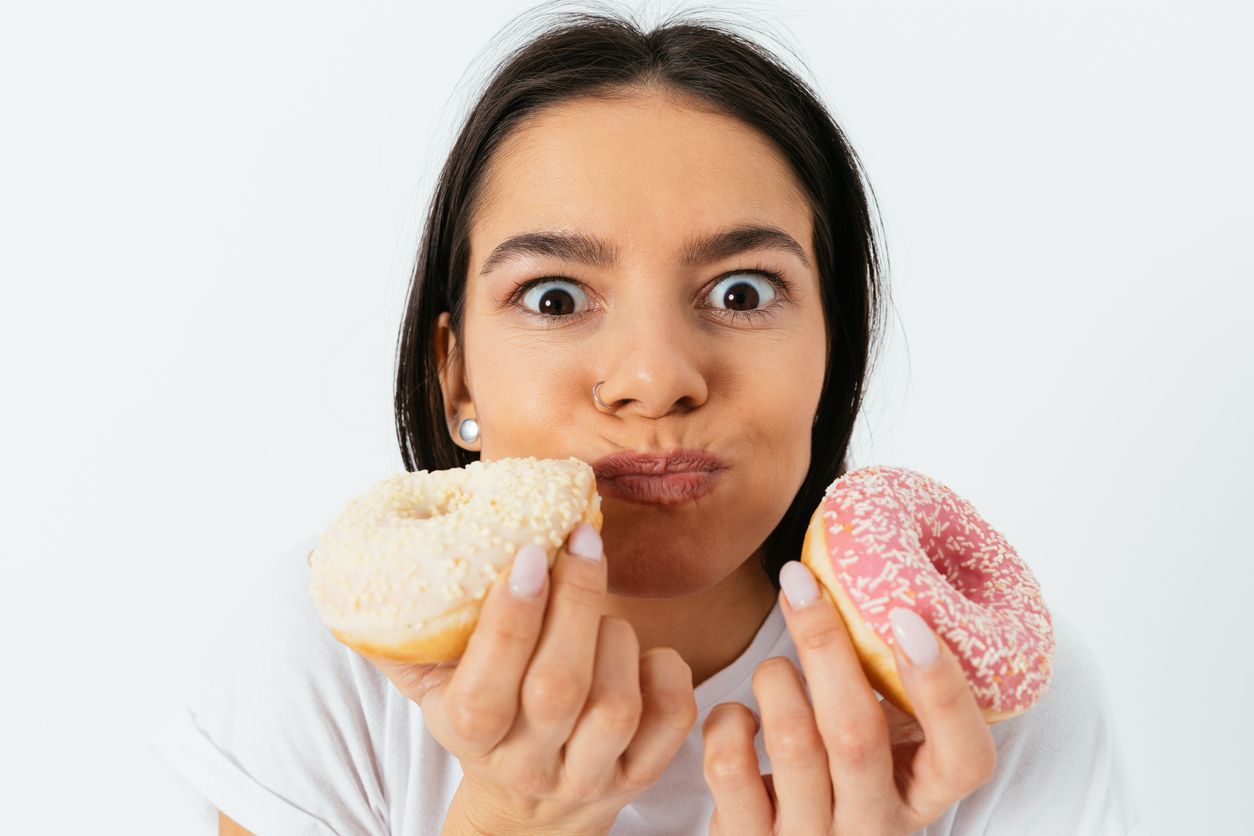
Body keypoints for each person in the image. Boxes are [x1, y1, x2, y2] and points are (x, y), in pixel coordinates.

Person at [150, 7, 1146, 835]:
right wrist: (502, 815)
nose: (655, 377)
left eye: (745, 291)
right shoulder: (333, 660)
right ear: (454, 375)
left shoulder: (987, 714)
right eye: (553, 296)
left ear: (836, 351)